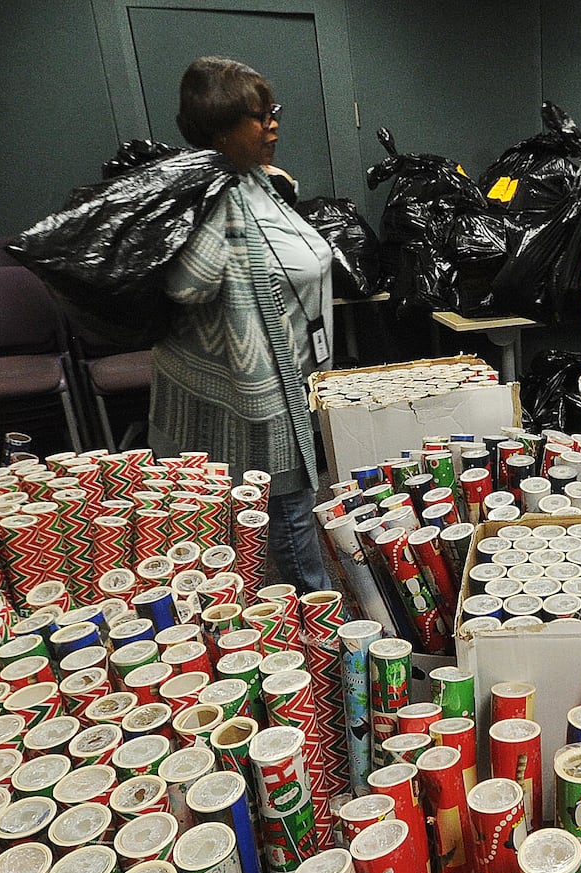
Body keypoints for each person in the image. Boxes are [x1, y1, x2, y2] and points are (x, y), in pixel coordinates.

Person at [150, 56, 333, 591]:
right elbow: (188, 285)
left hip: (287, 378)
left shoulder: (254, 180)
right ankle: (317, 624)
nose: (274, 123)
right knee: (289, 514)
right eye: (259, 116)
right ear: (219, 131)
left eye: (273, 110)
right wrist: (217, 215)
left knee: (287, 509)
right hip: (248, 397)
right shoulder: (211, 196)